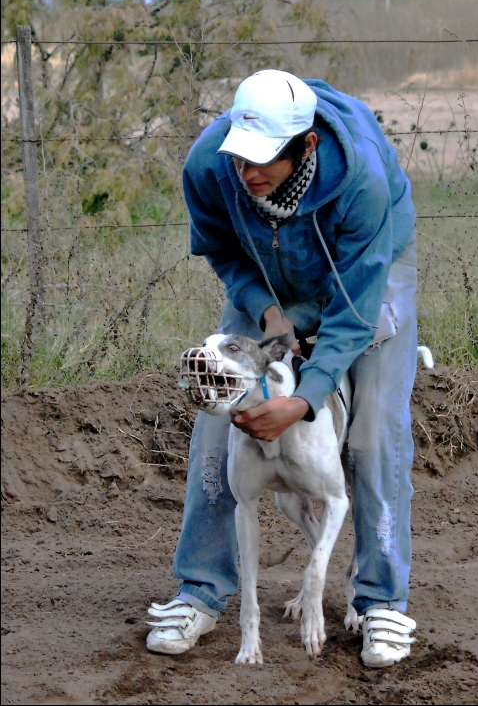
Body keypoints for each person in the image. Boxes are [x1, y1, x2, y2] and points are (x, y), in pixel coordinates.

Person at [146, 69, 419, 668]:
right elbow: (220, 247)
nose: (248, 172)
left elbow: (352, 314)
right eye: (240, 157)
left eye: (265, 159)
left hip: (364, 267)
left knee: (374, 434)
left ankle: (381, 602)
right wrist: (269, 314)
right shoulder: (207, 167)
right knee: (219, 423)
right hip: (262, 273)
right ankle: (200, 589)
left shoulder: (362, 181)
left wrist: (305, 397)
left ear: (308, 146)